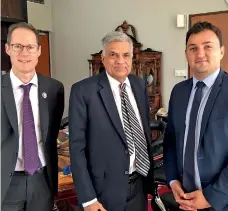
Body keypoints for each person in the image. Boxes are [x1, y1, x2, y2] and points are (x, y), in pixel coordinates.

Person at [69, 31, 154, 211]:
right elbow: (77, 149)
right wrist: (88, 198)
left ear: (132, 57)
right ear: (103, 58)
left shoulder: (139, 85)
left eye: (126, 55)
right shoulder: (83, 91)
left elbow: (143, 133)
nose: (120, 61)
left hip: (138, 184)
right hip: (103, 191)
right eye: (113, 55)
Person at [163, 21, 228, 211]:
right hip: (184, 199)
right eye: (193, 48)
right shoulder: (179, 92)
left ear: (221, 52)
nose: (200, 54)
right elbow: (171, 140)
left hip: (221, 202)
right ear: (186, 54)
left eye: (208, 46)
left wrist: (211, 197)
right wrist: (173, 179)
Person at [1, 22, 64, 211]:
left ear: (38, 50)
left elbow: (51, 135)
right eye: (17, 46)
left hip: (41, 181)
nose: (24, 53)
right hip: (6, 184)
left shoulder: (54, 89)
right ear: (7, 49)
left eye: (30, 47)